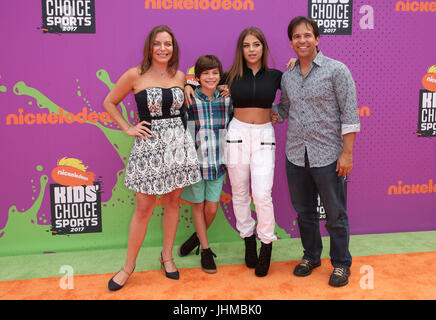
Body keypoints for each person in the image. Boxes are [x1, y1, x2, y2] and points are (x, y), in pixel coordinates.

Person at [103, 25, 201, 291]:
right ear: (149, 47)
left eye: (168, 44)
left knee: (172, 203)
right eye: (158, 43)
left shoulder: (180, 75)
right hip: (148, 148)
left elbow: (199, 82)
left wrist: (190, 85)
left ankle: (166, 257)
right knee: (144, 209)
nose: (162, 48)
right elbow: (109, 102)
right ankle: (128, 267)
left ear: (173, 48)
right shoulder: (135, 74)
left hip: (177, 147)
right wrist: (127, 127)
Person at [185, 27, 282, 277]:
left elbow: (294, 95)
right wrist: (186, 84)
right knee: (239, 193)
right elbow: (198, 77)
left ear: (263, 47)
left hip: (264, 135)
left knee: (261, 194)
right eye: (247, 45)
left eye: (256, 44)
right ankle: (248, 241)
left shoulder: (276, 76)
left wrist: (280, 112)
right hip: (236, 134)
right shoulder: (230, 75)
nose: (251, 49)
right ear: (241, 49)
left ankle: (266, 246)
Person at [272, 16, 360, 287]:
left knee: (335, 214)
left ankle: (341, 263)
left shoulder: (337, 70)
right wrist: (252, 107)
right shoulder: (288, 76)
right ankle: (311, 256)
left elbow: (351, 114)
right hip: (296, 155)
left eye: (307, 35)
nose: (302, 40)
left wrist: (346, 154)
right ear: (291, 41)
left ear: (317, 39)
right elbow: (284, 109)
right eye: (297, 36)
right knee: (304, 212)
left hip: (328, 155)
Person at [178, 55, 232, 274]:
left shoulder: (227, 98)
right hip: (196, 162)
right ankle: (206, 250)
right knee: (198, 207)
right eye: (206, 73)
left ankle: (195, 238)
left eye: (215, 73)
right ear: (197, 77)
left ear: (220, 75)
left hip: (218, 162)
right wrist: (185, 86)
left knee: (211, 208)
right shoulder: (190, 99)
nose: (211, 77)